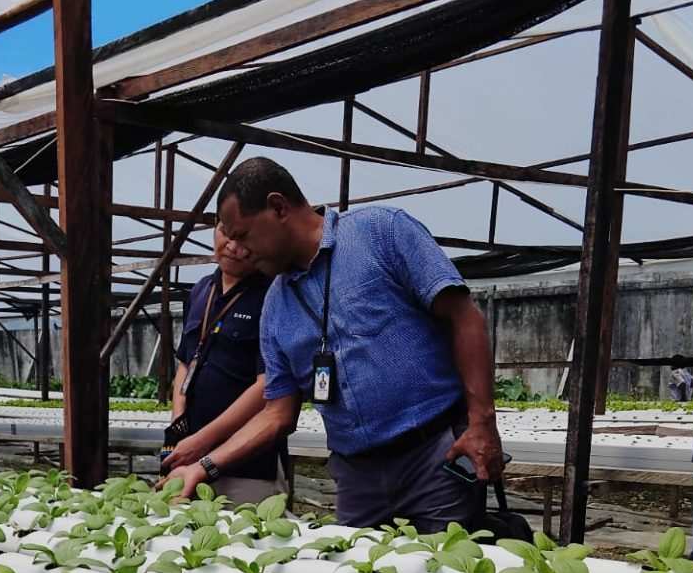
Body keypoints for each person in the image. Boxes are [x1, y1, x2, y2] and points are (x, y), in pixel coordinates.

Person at [165, 157, 504, 533]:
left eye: (243, 235)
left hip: (433, 456)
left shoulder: (381, 233)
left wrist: (481, 423)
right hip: (357, 475)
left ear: (278, 208)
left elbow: (464, 316)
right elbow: (277, 414)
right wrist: (203, 465)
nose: (239, 249)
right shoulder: (276, 305)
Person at [158, 223, 287, 504]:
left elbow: (268, 385)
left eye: (244, 237)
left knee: (244, 539)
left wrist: (202, 441)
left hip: (247, 465)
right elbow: (185, 363)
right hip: (189, 455)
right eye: (227, 232)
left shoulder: (275, 293)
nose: (233, 246)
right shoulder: (203, 289)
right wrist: (179, 427)